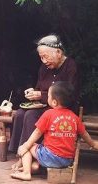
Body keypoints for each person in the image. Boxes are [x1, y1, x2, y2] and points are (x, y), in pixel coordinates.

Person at [8, 34, 79, 169]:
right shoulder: (44, 68)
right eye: (41, 57)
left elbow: (70, 94)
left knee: (30, 115)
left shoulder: (71, 66)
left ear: (58, 52)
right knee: (20, 113)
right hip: (45, 105)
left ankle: (30, 155)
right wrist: (33, 93)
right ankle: (21, 153)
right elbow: (39, 87)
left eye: (46, 56)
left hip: (62, 108)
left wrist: (41, 95)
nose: (44, 60)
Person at [10, 81, 98, 180]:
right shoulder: (75, 118)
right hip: (67, 160)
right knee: (41, 148)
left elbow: (37, 132)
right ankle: (35, 167)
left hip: (50, 158)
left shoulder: (48, 114)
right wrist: (93, 144)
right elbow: (84, 133)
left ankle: (26, 173)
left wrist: (26, 146)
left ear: (54, 102)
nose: (47, 98)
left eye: (48, 96)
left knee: (28, 146)